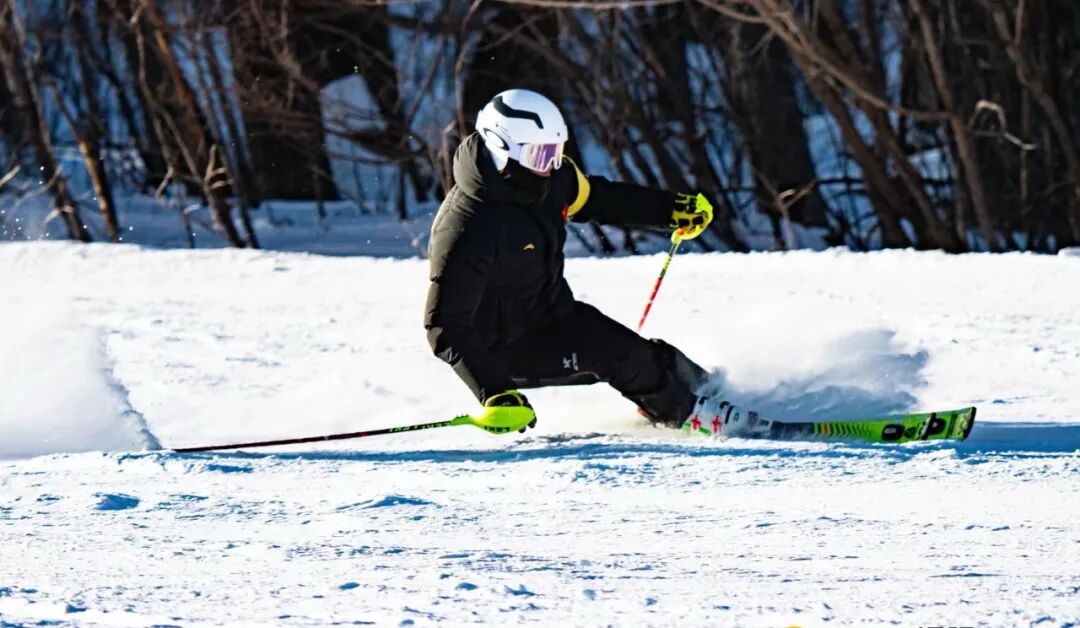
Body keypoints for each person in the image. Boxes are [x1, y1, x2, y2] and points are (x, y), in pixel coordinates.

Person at [425, 88, 743, 436]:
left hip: (552, 312)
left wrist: (667, 209)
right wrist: (496, 393)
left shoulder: (552, 178)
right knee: (618, 357)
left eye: (556, 153)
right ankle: (698, 419)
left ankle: (713, 396)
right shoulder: (467, 228)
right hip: (503, 350)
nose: (550, 165)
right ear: (502, 151)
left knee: (643, 356)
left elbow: (599, 199)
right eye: (539, 155)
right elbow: (446, 326)